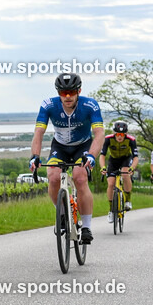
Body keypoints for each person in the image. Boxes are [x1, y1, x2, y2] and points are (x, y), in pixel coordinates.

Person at [29, 73, 105, 244]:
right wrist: (35, 156)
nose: (68, 96)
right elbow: (39, 132)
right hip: (60, 147)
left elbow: (99, 133)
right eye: (64, 93)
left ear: (79, 91)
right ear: (58, 93)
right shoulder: (49, 105)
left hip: (83, 146)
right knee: (53, 177)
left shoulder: (90, 105)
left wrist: (92, 156)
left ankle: (86, 227)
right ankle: (62, 214)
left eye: (72, 92)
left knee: (80, 177)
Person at [101, 121, 138, 224]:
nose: (120, 137)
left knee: (125, 174)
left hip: (126, 159)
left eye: (122, 134)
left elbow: (135, 157)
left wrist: (132, 168)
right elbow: (102, 155)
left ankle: (128, 200)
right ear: (114, 133)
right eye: (118, 134)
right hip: (113, 161)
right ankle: (111, 210)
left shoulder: (131, 140)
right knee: (111, 184)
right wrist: (103, 167)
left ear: (125, 134)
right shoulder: (108, 139)